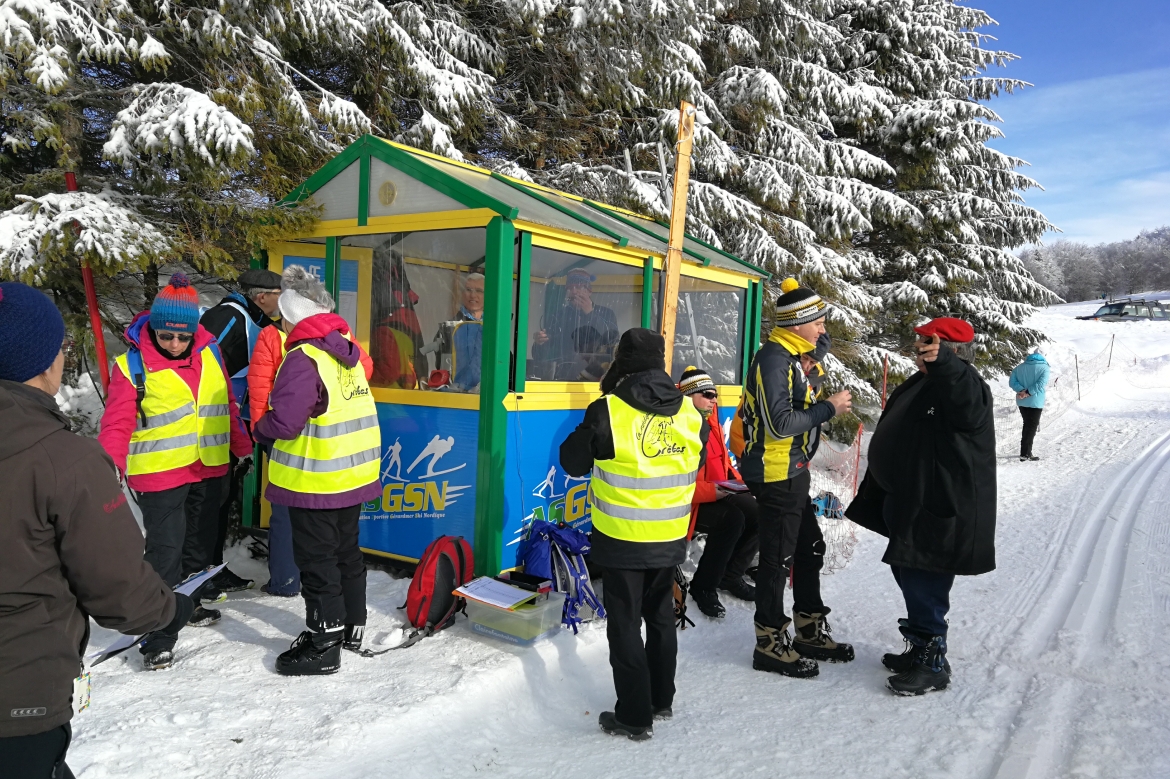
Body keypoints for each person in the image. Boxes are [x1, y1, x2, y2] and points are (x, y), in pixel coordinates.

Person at [0, 282, 193, 778]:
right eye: (61, 347)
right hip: (18, 696)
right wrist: (170, 609)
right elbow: (119, 589)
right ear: (43, 363)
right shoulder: (62, 461)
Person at [98, 273, 253, 669]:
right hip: (161, 473)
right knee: (165, 553)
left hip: (209, 466)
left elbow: (225, 408)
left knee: (198, 549)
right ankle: (157, 633)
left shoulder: (210, 352)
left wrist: (242, 447)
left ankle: (185, 606)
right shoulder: (131, 364)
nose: (175, 344)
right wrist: (108, 463)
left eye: (183, 337)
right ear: (153, 326)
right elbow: (117, 423)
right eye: (167, 336)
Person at [560, 329, 706, 741]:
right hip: (670, 537)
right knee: (660, 619)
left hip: (622, 539)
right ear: (661, 362)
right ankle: (661, 700)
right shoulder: (690, 412)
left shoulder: (608, 409)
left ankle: (634, 715)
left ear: (621, 360)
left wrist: (585, 432)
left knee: (625, 625)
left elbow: (572, 462)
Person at [845, 317, 996, 696]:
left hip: (936, 504)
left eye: (928, 345)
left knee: (925, 576)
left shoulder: (966, 385)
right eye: (919, 344)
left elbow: (965, 405)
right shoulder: (926, 381)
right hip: (909, 499)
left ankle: (933, 661)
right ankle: (918, 646)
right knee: (908, 571)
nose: (918, 351)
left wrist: (946, 363)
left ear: (951, 352)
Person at [253, 266, 382, 675]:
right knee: (346, 552)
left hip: (315, 480)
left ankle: (323, 640)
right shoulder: (347, 351)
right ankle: (351, 624)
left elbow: (286, 422)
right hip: (353, 475)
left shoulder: (302, 357)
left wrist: (260, 427)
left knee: (317, 559)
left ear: (292, 319)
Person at [738, 278, 855, 679]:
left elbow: (817, 345)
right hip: (775, 471)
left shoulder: (793, 353)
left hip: (792, 469)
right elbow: (780, 423)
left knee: (810, 548)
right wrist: (829, 407)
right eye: (818, 321)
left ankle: (808, 631)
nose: (824, 329)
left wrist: (797, 291)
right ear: (797, 325)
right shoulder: (774, 360)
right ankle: (769, 642)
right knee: (778, 558)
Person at [199, 268, 284, 593]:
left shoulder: (255, 320)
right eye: (278, 293)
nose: (282, 299)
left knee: (223, 500)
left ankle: (213, 568)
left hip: (232, 426)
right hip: (212, 425)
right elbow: (200, 363)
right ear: (261, 296)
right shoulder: (229, 317)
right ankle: (200, 574)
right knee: (211, 502)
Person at [679, 366, 759, 619]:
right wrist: (714, 491)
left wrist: (739, 483)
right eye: (707, 394)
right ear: (688, 395)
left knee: (759, 511)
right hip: (688, 502)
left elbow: (722, 463)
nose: (714, 400)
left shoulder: (711, 423)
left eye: (715, 395)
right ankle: (704, 586)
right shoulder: (679, 426)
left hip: (714, 493)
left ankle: (730, 575)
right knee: (732, 520)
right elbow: (676, 485)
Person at [533, 268, 618, 380]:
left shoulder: (606, 313)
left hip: (596, 377)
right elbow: (540, 356)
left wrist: (590, 313)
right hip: (563, 377)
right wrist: (539, 343)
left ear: (589, 291)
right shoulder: (559, 316)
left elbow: (611, 341)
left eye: (579, 287)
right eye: (570, 288)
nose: (574, 291)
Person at [1009, 349, 1049, 461]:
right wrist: (1028, 392)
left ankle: (1026, 452)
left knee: (1027, 425)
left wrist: (1021, 391)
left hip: (1022, 401)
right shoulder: (1045, 368)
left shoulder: (1019, 367)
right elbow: (1041, 384)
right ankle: (1025, 453)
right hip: (1035, 401)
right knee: (1031, 427)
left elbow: (1012, 382)